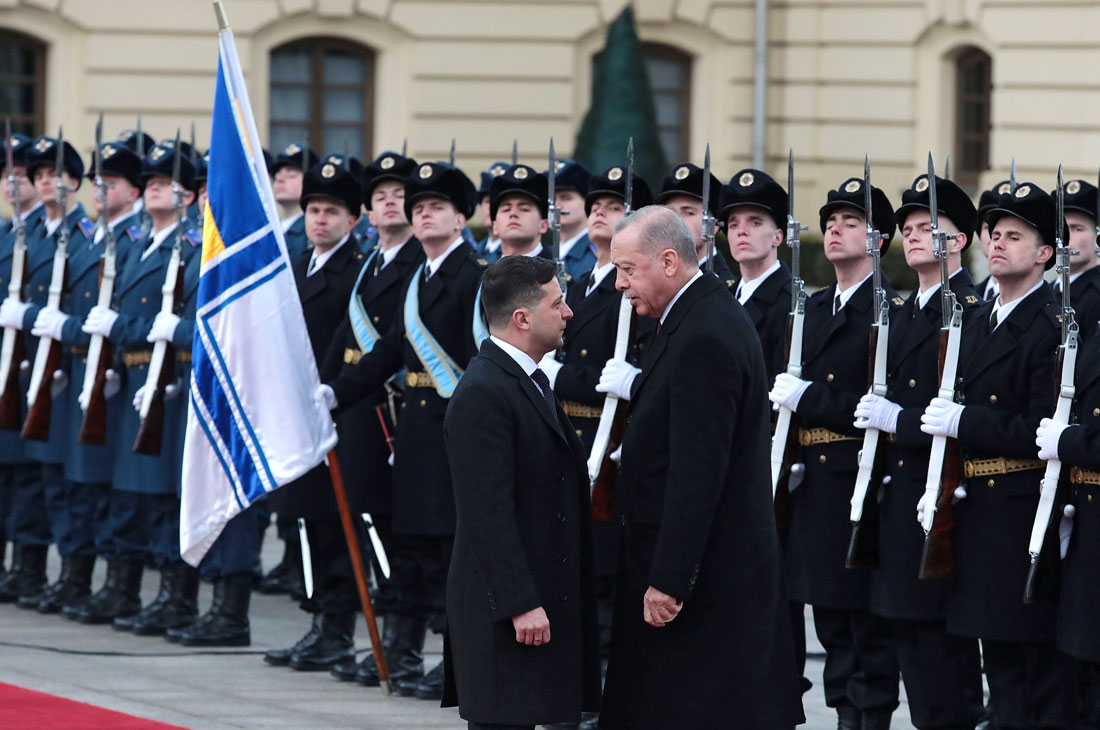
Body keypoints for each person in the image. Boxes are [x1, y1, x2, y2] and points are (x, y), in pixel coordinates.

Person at [597, 206, 804, 729]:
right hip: (694, 572)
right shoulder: (692, 316)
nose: (619, 284)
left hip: (704, 584)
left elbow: (698, 472)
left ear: (668, 261)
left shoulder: (704, 334)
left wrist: (668, 579)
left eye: (627, 269)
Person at [319, 160, 485, 701]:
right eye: (418, 209)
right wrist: (338, 391)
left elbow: (480, 361)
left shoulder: (473, 275)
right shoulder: (419, 277)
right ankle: (407, 652)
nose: (424, 215)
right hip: (413, 429)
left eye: (436, 207)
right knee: (412, 548)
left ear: (462, 218)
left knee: (447, 553)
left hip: (451, 428)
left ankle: (456, 660)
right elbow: (390, 350)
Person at [921, 183, 1079, 728]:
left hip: (1021, 509)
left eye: (1015, 236)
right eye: (993, 234)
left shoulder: (1054, 324)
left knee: (1033, 672)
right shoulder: (980, 315)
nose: (997, 244)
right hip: (977, 510)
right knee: (1001, 664)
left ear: (1044, 254)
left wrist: (967, 421)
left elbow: (1046, 427)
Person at [441, 254, 599, 729]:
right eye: (558, 303)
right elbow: (486, 513)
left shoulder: (525, 380)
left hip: (534, 602)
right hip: (506, 614)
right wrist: (520, 603)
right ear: (522, 318)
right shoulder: (485, 391)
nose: (569, 312)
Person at [770, 176, 903, 730]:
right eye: (829, 223)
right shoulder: (813, 307)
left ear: (877, 240)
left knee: (864, 624)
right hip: (815, 483)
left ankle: (866, 718)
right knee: (829, 619)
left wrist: (811, 400)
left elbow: (882, 400)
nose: (835, 231)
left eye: (850, 223)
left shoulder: (889, 310)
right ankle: (845, 715)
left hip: (860, 477)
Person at [854, 173, 985, 730]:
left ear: (957, 241)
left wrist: (898, 421)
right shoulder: (904, 311)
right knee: (907, 639)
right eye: (906, 228)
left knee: (939, 652)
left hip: (942, 494)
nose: (911, 236)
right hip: (899, 495)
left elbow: (956, 412)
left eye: (926, 227)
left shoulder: (969, 311)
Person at [326, 150, 425, 685]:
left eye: (400, 195)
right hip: (360, 410)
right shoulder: (373, 261)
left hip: (398, 412)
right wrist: (324, 389)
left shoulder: (416, 261)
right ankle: (379, 640)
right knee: (368, 525)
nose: (391, 202)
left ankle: (401, 645)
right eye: (381, 195)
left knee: (397, 530)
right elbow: (347, 332)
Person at [263, 159, 366, 671]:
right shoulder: (296, 264)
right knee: (304, 524)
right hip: (295, 413)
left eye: (331, 211)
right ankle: (316, 623)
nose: (319, 220)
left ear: (353, 220)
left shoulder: (358, 270)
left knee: (334, 524)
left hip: (338, 413)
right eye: (313, 210)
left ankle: (339, 629)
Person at [0, 132, 44, 597]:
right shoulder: (5, 232)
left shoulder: (55, 236)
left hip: (31, 368)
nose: (12, 183)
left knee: (26, 474)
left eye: (21, 175)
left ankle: (27, 565)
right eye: (5, 174)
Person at [657, 162, 735, 287]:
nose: (676, 221)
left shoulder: (723, 287)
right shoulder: (659, 278)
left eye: (688, 213)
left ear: (713, 226)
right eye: (671, 213)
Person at [1050, 177, 1100, 341]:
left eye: (1078, 228)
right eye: (1061, 228)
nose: (1067, 237)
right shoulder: (1045, 292)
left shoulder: (1095, 297)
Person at [270, 142, 318, 262]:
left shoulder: (312, 230)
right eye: (277, 175)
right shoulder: (272, 228)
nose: (280, 179)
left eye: (291, 175)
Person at [551, 159, 595, 279]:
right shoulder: (546, 254)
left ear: (588, 203)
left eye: (566, 198)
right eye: (552, 199)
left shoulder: (596, 255)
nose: (557, 205)